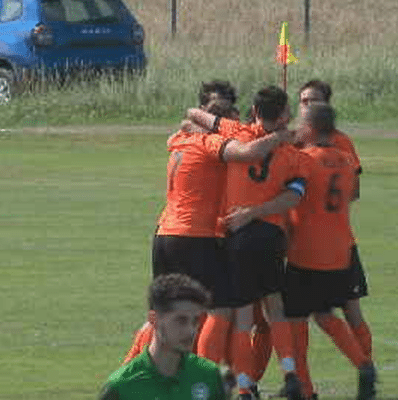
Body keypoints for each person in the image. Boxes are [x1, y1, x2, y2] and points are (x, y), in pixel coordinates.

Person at [123, 81, 294, 366]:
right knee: (222, 310)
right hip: (193, 235)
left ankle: (128, 375)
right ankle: (202, 380)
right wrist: (281, 137)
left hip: (165, 232)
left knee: (162, 313)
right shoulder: (209, 142)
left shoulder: (180, 137)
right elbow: (248, 153)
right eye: (223, 117)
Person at [188, 86, 305, 400]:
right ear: (285, 115)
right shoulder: (293, 153)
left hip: (237, 235)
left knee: (241, 317)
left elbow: (195, 114)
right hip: (271, 235)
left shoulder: (236, 131)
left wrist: (197, 119)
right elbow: (294, 195)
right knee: (275, 309)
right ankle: (291, 374)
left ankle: (243, 386)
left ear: (253, 110)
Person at [287, 103, 376, 400]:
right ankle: (363, 364)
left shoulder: (303, 161)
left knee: (295, 323)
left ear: (310, 128)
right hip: (339, 251)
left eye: (300, 123)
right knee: (325, 314)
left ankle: (306, 391)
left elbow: (291, 198)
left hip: (306, 252)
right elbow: (350, 195)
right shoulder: (347, 160)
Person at [297, 80, 373, 361]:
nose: (307, 106)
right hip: (324, 242)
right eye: (304, 101)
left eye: (313, 101)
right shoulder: (299, 141)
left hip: (334, 243)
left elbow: (353, 190)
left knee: (346, 311)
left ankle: (366, 366)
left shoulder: (338, 143)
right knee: (306, 315)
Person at [98, 274, 232, 400]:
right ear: (154, 319)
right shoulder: (121, 387)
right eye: (181, 320)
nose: (191, 331)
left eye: (195, 321)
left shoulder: (209, 376)